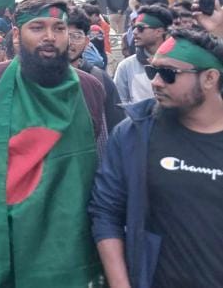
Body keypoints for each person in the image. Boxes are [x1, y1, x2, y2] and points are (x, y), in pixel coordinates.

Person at [0, 0, 108, 288]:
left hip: (71, 247)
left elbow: (104, 174)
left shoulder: (90, 90)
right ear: (17, 35)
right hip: (1, 242)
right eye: (37, 28)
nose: (50, 37)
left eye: (58, 29)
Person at [90, 29, 223, 288]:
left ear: (209, 78)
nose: (156, 82)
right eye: (153, 71)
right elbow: (106, 213)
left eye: (169, 74)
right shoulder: (134, 134)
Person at [67, 8, 125, 133]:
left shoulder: (100, 79)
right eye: (64, 34)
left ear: (87, 41)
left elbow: (116, 127)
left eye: (76, 36)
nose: (69, 42)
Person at [114, 6, 173, 104]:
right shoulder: (126, 66)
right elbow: (120, 103)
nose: (134, 32)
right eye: (134, 28)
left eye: (141, 28)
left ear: (159, 32)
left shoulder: (179, 65)